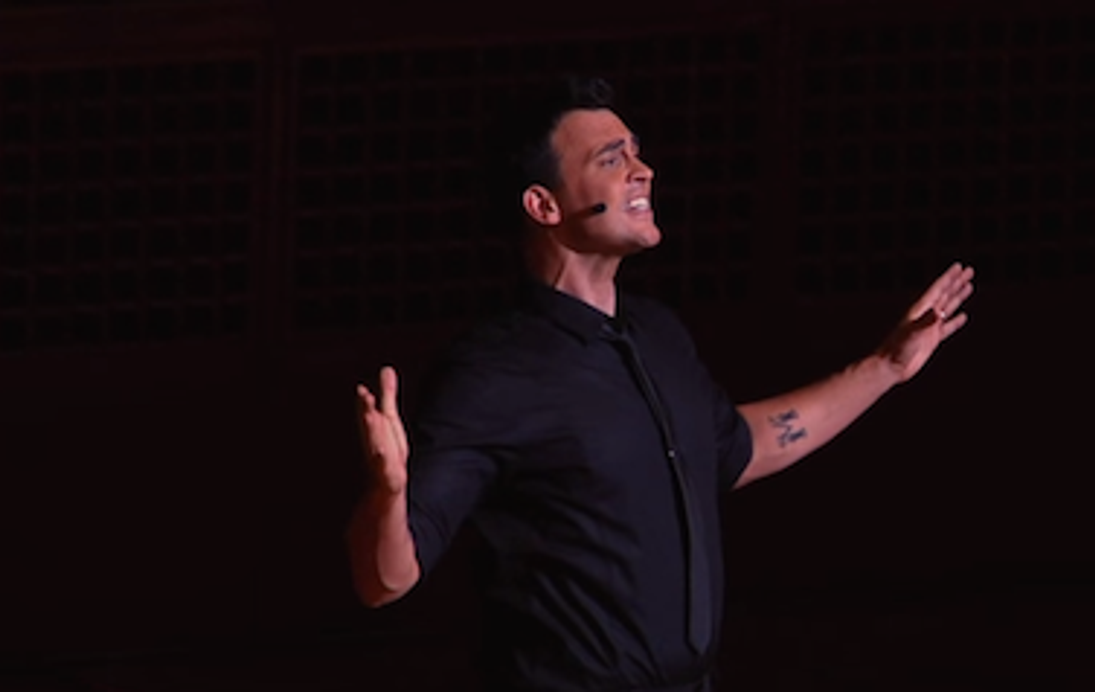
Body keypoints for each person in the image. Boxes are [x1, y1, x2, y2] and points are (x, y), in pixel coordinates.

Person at [346, 77, 974, 692]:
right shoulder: (493, 373)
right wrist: (388, 493)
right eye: (611, 160)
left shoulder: (658, 335)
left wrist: (885, 367)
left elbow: (739, 445)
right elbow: (385, 581)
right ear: (544, 205)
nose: (642, 171)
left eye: (636, 153)